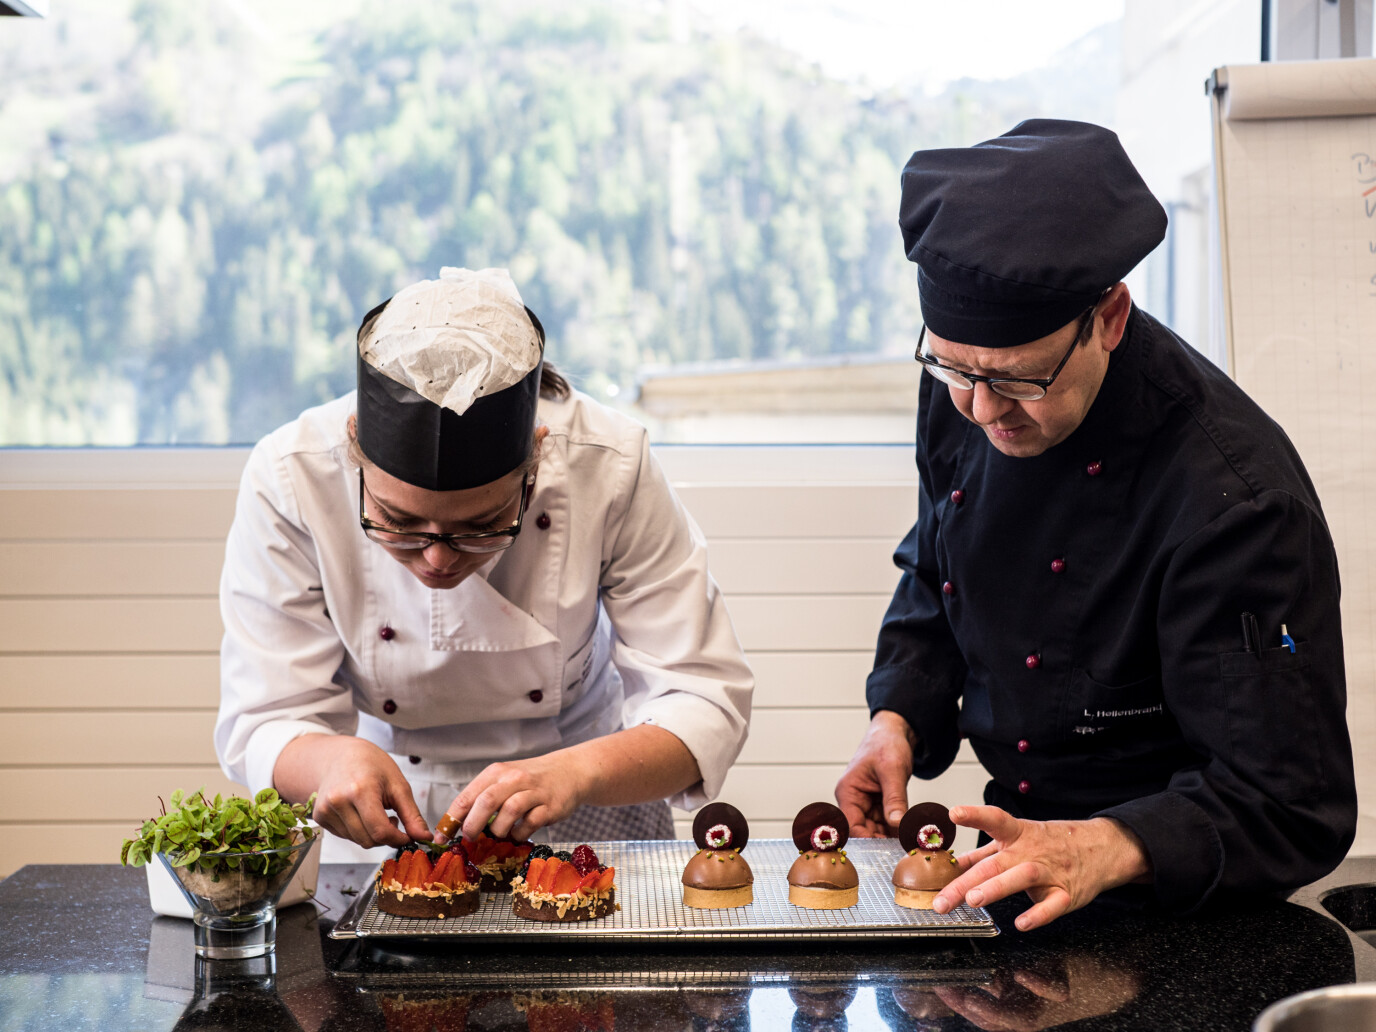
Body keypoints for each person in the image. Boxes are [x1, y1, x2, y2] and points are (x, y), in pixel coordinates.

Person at [835, 119, 1356, 931]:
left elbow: (1289, 805)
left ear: (1109, 317)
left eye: (1019, 380)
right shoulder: (967, 391)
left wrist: (1100, 849)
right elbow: (937, 565)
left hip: (1187, 907)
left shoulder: (1235, 503)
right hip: (1018, 863)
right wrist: (896, 717)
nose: (980, 409)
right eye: (951, 367)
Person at [216, 267, 753, 860]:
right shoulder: (291, 477)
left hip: (590, 793)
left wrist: (575, 774)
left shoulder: (610, 463)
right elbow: (265, 717)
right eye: (398, 523)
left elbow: (703, 696)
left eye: (481, 527)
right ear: (353, 450)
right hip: (391, 813)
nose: (439, 559)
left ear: (538, 461)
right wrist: (331, 759)